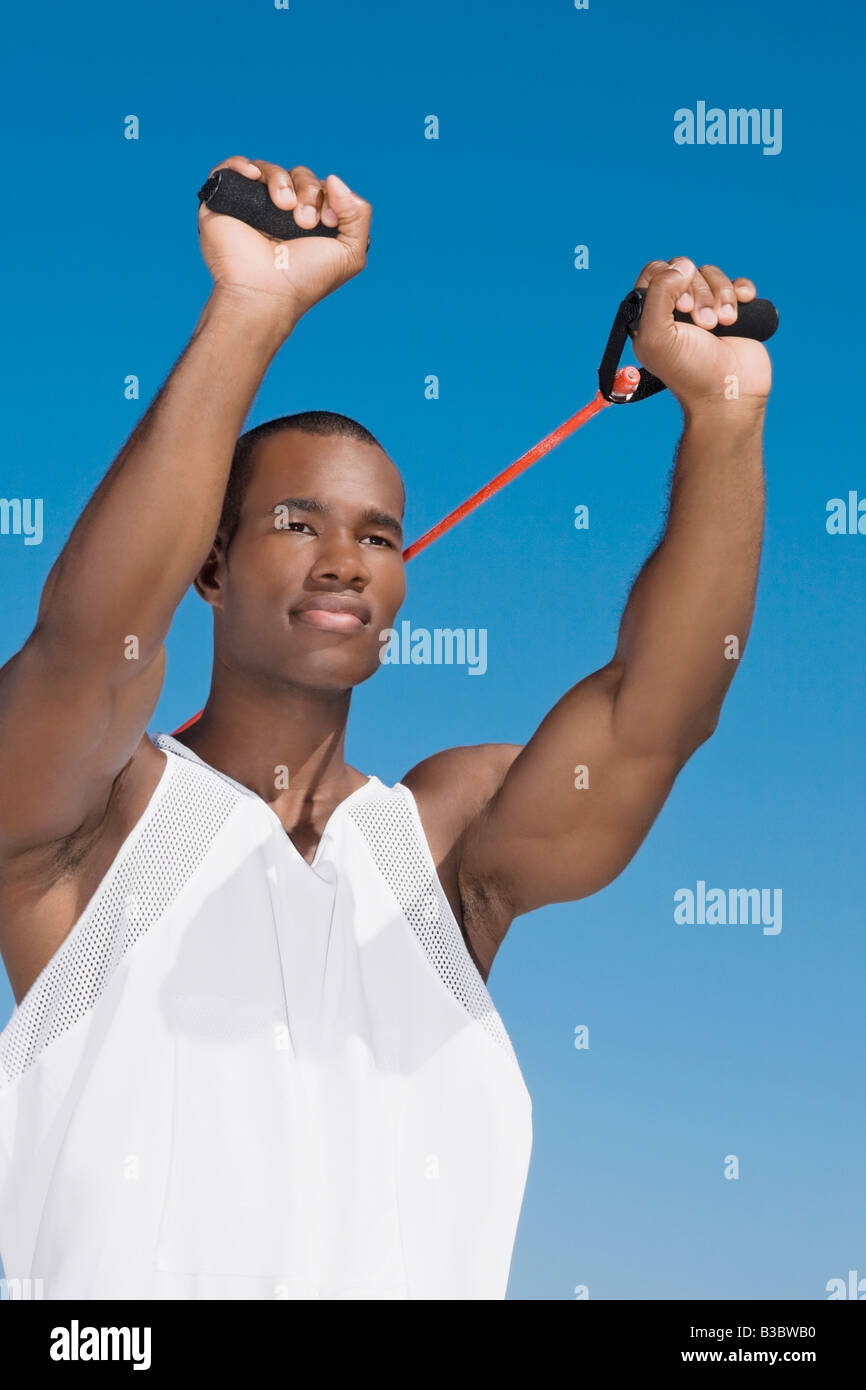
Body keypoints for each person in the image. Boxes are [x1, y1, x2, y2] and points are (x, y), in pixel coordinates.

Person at [0, 155, 771, 1300]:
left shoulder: (443, 847)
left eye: (376, 535)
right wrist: (251, 311)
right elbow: (84, 643)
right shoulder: (91, 825)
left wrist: (720, 410)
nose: (343, 562)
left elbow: (655, 716)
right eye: (295, 520)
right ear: (209, 564)